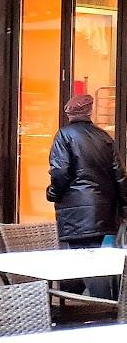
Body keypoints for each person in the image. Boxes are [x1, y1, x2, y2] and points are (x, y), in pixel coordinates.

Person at [48, 92, 127, 298]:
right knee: (87, 258)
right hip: (104, 209)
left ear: (69, 114)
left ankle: (104, 308)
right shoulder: (104, 137)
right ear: (89, 112)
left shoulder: (64, 136)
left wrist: (53, 193)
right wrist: (123, 207)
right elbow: (120, 175)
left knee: (86, 262)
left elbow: (60, 171)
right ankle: (71, 305)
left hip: (76, 210)